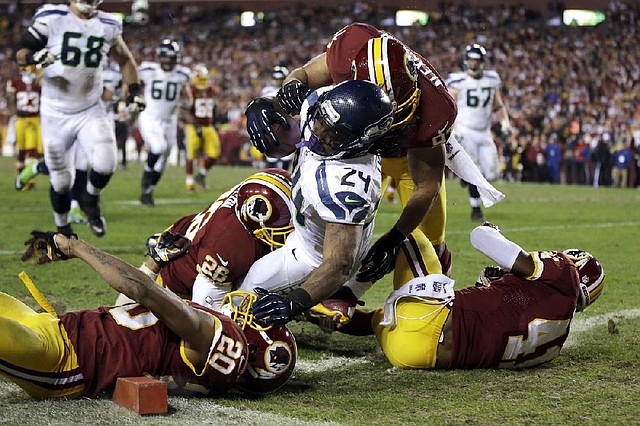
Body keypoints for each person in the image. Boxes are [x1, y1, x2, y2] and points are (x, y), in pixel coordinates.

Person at [245, 23, 504, 290]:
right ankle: (317, 285)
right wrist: (268, 102)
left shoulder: (435, 108)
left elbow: (427, 185)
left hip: (405, 156)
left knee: (430, 238)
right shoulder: (352, 49)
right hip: (352, 145)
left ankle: (441, 294)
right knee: (326, 217)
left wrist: (395, 237)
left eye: (396, 114)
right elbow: (303, 77)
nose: (388, 122)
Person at [4, 229, 296, 398]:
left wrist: (75, 246)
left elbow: (140, 290)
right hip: (60, 331)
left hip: (60, 357)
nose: (245, 310)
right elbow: (127, 314)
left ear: (249, 346)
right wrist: (154, 263)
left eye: (255, 318)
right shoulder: (204, 355)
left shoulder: (212, 337)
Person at [332, 222, 606, 370]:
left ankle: (343, 296)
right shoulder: (554, 347)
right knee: (379, 319)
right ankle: (326, 315)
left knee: (408, 235)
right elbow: (498, 315)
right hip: (414, 356)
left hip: (426, 323)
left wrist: (493, 231)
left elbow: (481, 238)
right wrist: (493, 284)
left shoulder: (564, 273)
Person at [240, 79, 396, 326]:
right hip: (304, 229)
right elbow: (292, 100)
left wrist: (295, 301)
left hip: (311, 258)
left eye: (332, 133)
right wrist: (260, 105)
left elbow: (339, 263)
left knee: (244, 302)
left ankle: (329, 301)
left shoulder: (347, 186)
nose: (318, 131)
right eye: (322, 121)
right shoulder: (327, 104)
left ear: (358, 142)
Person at [14, 0, 145, 237]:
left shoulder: (107, 24)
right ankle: (63, 227)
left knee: (106, 163)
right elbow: (21, 53)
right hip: (55, 111)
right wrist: (35, 57)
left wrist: (134, 91)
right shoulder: (52, 18)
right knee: (62, 181)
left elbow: (125, 60)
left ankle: (90, 199)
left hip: (90, 108)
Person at [116, 168, 295, 308]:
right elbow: (207, 311)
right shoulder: (230, 244)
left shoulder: (254, 191)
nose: (289, 230)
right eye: (283, 224)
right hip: (181, 282)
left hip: (189, 234)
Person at [446, 43, 512, 221]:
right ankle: (476, 209)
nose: (474, 65)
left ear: (482, 62)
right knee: (476, 171)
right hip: (465, 131)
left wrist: (505, 122)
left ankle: (465, 177)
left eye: (477, 61)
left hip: (484, 132)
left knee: (492, 173)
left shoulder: (491, 80)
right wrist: (452, 128)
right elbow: (450, 106)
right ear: (466, 62)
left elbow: (498, 105)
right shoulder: (457, 81)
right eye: (471, 61)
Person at [137, 39, 192, 206]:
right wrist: (133, 96)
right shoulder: (148, 70)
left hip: (169, 121)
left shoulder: (182, 74)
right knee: (158, 147)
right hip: (150, 117)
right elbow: (131, 81)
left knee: (163, 159)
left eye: (170, 57)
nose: (166, 61)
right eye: (164, 57)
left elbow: (187, 95)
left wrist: (187, 102)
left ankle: (148, 191)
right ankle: (146, 177)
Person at [184, 63, 220, 193]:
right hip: (194, 126)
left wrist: (215, 121)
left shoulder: (210, 90)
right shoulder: (190, 90)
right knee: (191, 155)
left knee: (214, 153)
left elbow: (213, 107)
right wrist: (195, 124)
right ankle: (189, 183)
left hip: (208, 125)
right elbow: (185, 110)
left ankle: (201, 175)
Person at [7, 66, 42, 191]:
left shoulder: (38, 83)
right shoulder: (15, 82)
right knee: (21, 150)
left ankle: (29, 179)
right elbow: (10, 97)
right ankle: (20, 177)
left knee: (31, 150)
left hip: (33, 119)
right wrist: (12, 112)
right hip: (20, 119)